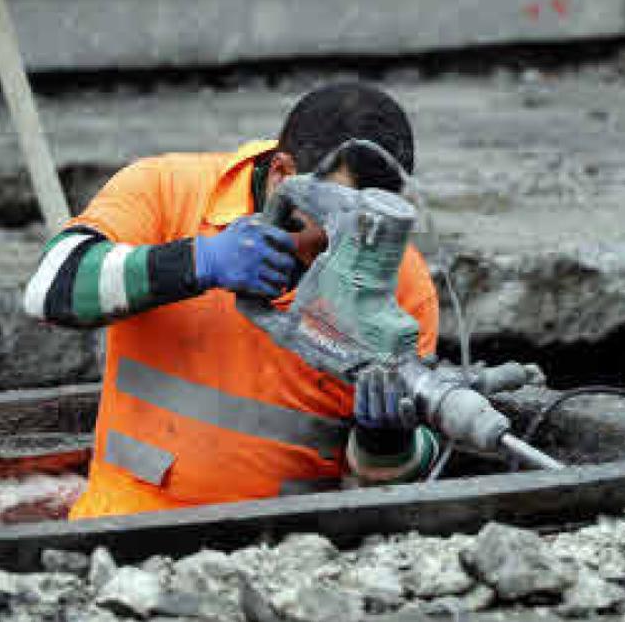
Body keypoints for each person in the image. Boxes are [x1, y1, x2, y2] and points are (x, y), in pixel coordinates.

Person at [23, 82, 441, 518]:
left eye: (366, 231)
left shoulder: (400, 285)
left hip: (292, 544)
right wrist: (195, 261)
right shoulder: (169, 192)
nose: (344, 251)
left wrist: (387, 444)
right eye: (331, 225)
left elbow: (390, 487)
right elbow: (49, 289)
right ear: (282, 175)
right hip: (127, 524)